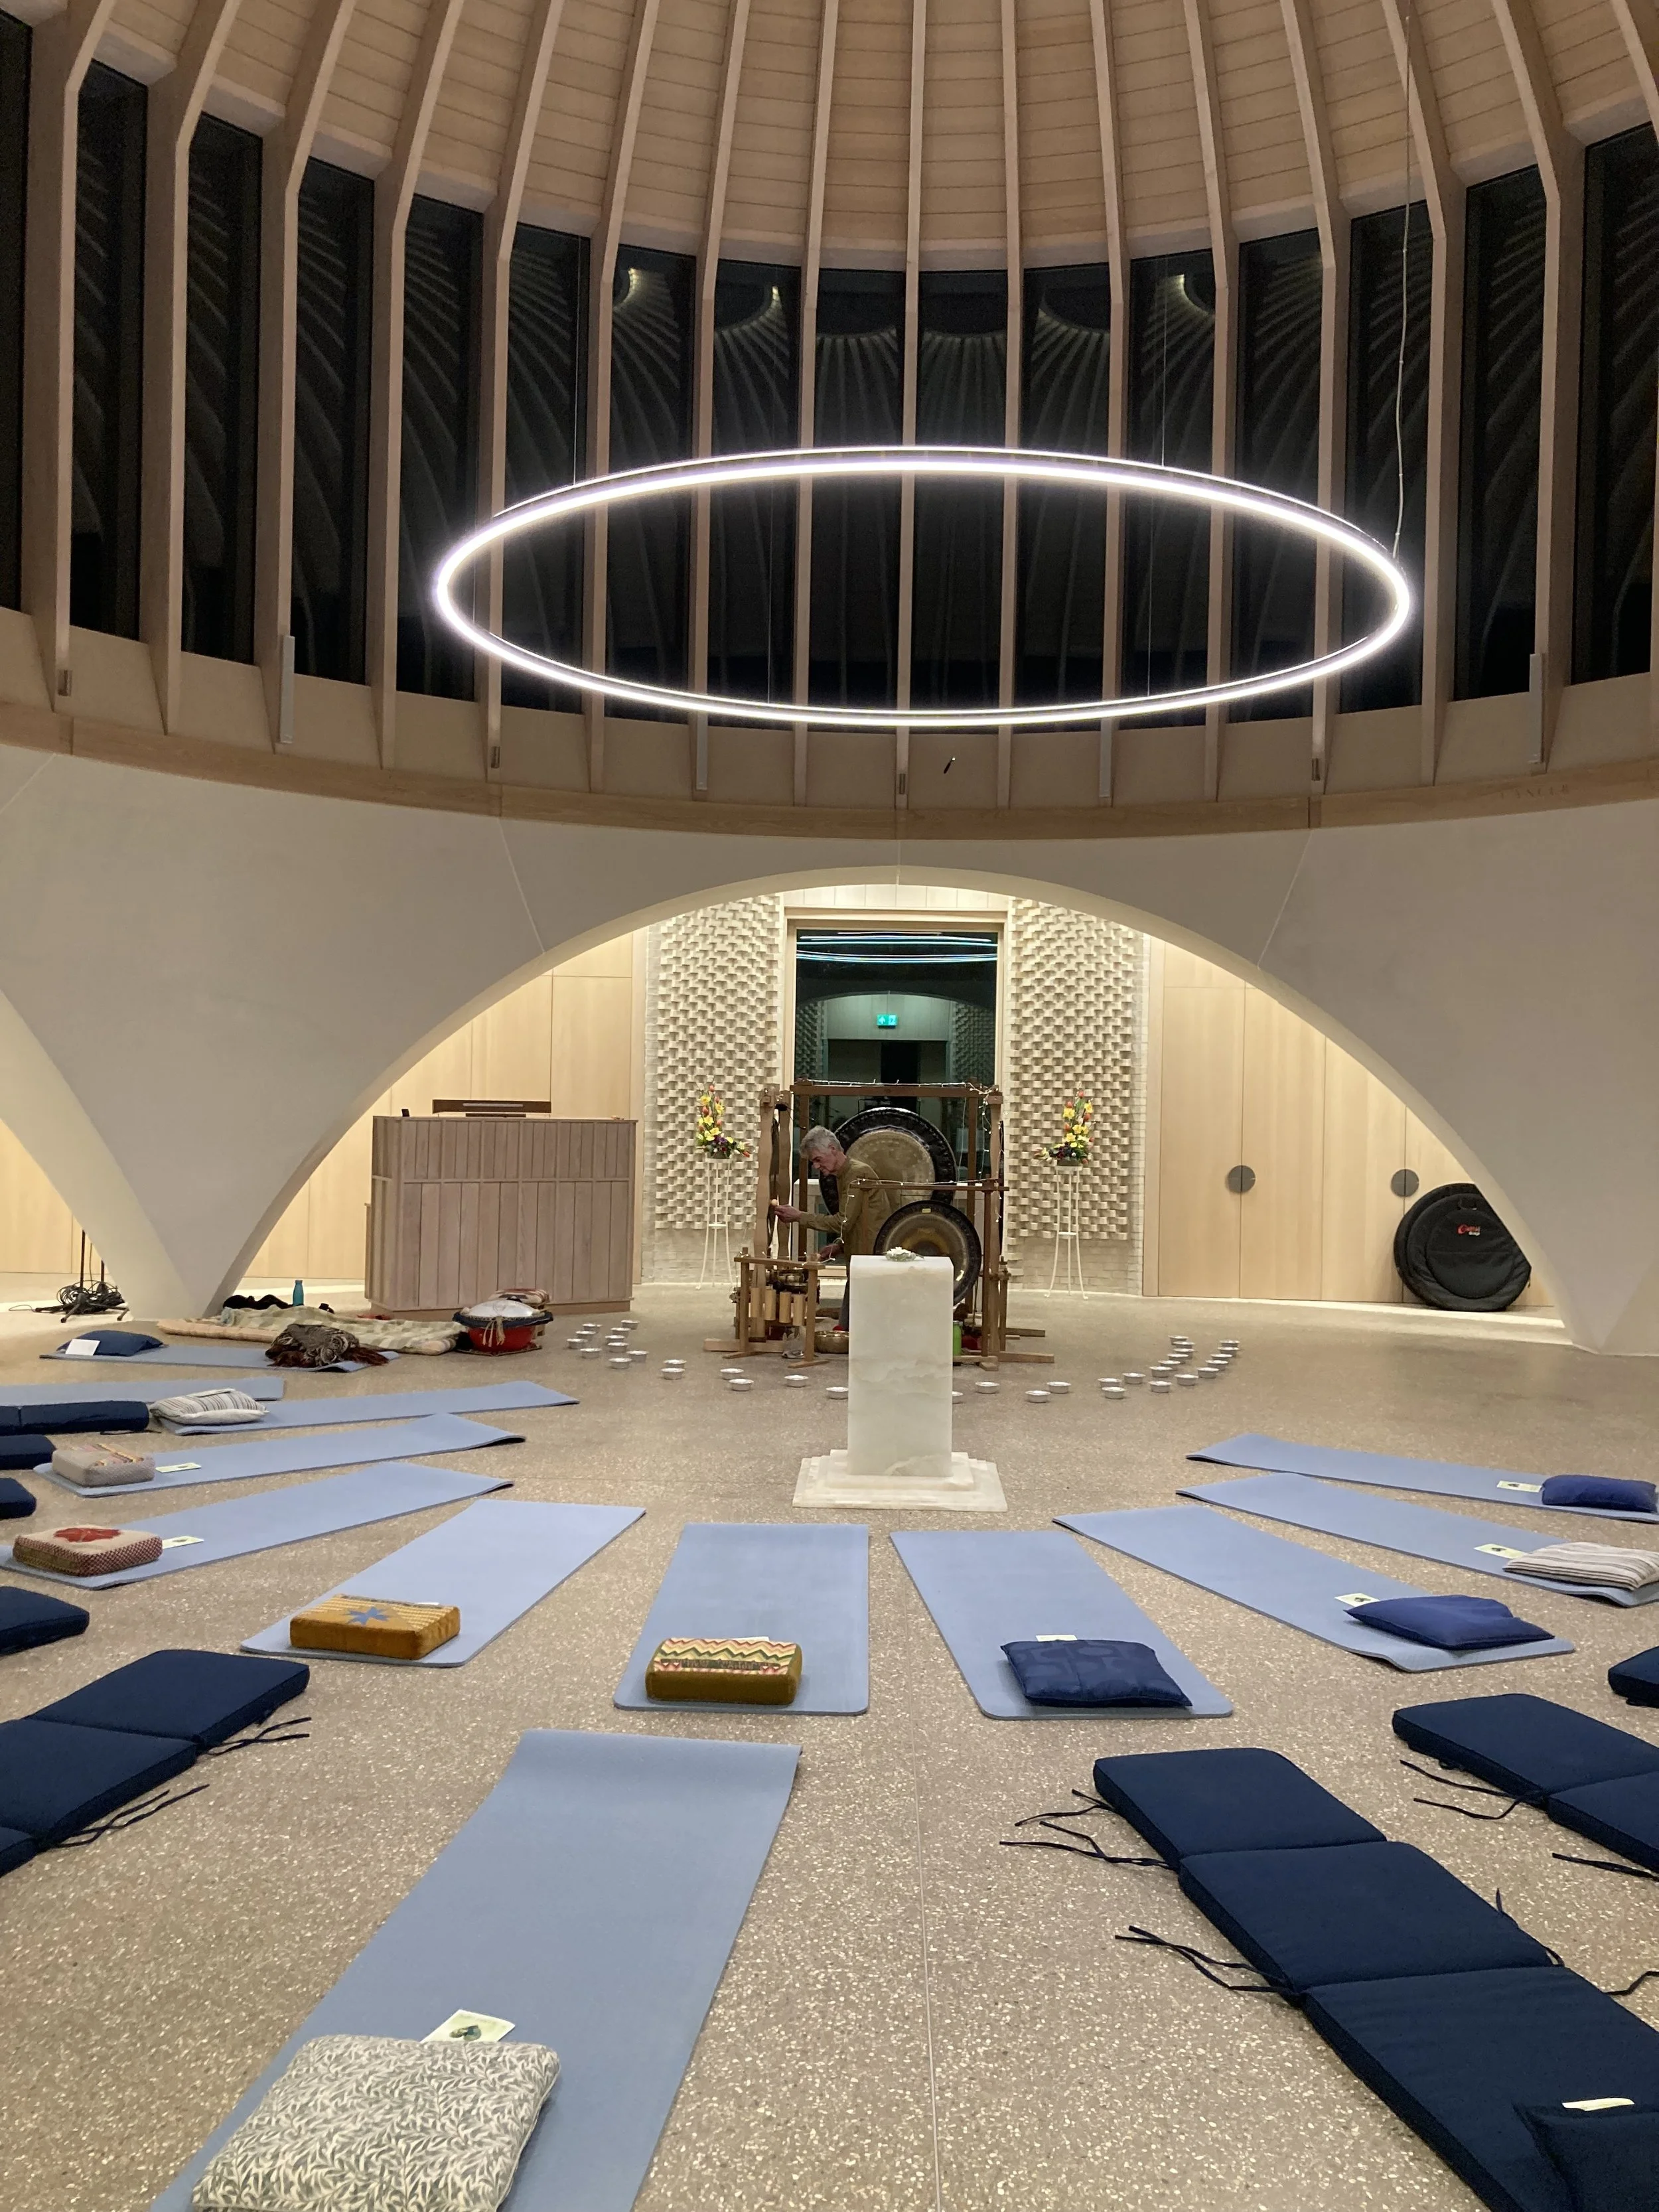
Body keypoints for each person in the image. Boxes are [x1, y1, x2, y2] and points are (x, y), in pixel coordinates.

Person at [770, 1126, 896, 1333]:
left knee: (862, 1331)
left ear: (833, 1149)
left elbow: (842, 1222)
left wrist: (799, 1216)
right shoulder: (844, 1176)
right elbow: (860, 1220)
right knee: (848, 1329)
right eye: (813, 1162)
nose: (816, 1166)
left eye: (818, 1159)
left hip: (871, 1261)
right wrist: (839, 1246)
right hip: (860, 1261)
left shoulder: (857, 1174)